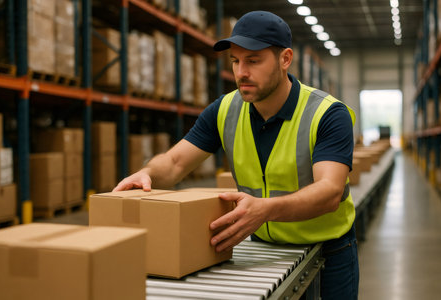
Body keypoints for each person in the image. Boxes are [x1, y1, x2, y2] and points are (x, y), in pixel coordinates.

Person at [114, 11, 359, 299]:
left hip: (328, 251)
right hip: (263, 251)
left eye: (253, 61)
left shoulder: (327, 113)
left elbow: (330, 192)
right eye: (235, 61)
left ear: (285, 59)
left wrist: (265, 209)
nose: (241, 72)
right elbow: (175, 161)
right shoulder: (226, 109)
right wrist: (148, 173)